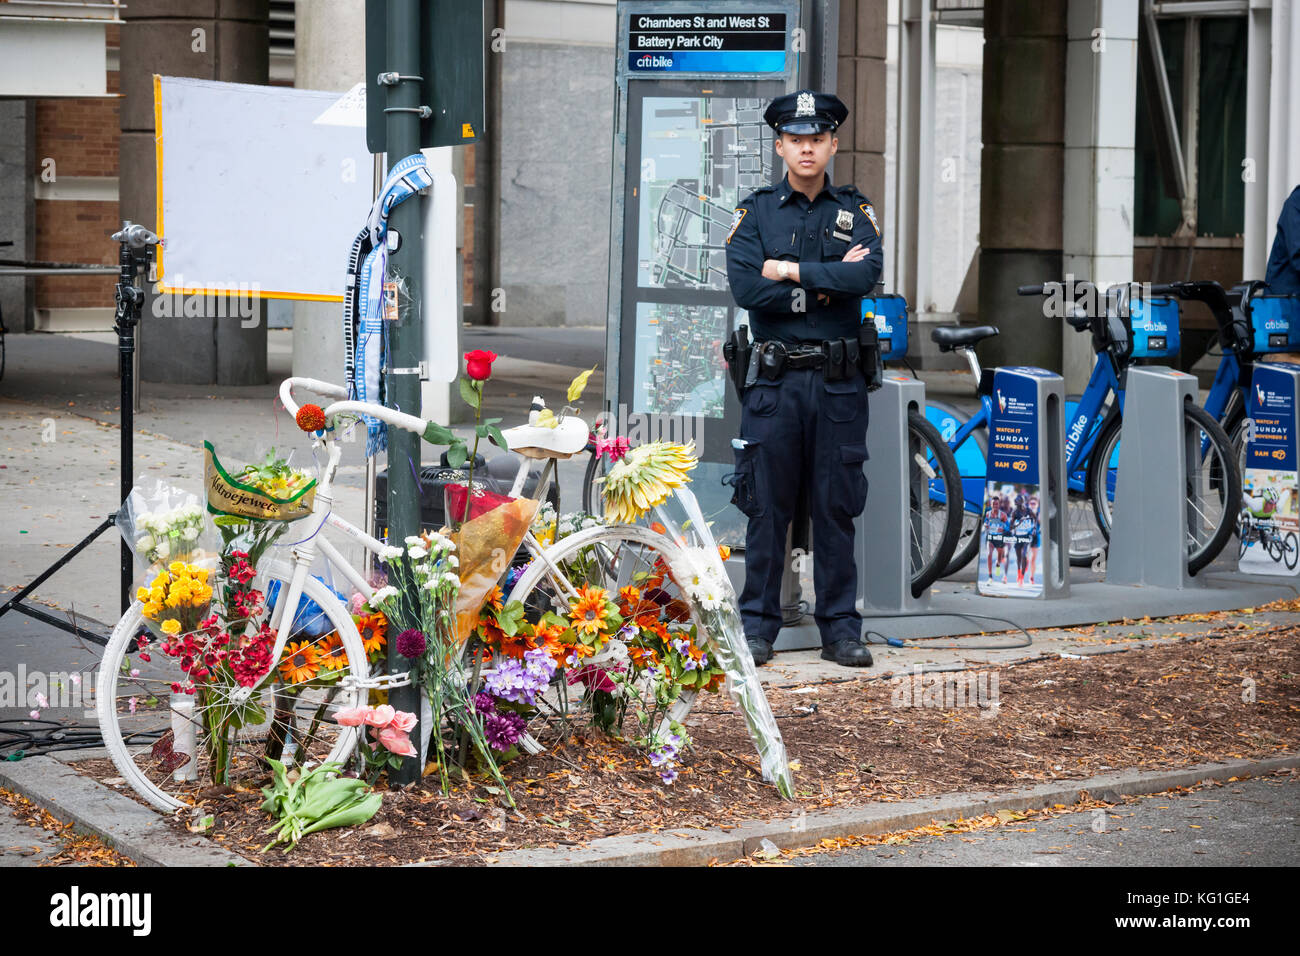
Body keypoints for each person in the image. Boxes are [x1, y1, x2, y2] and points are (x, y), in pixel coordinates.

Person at [724, 90, 884, 668]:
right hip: (774, 385)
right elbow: (747, 289)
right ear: (780, 146)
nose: (807, 148)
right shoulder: (757, 211)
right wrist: (824, 283)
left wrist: (789, 271)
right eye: (797, 139)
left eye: (818, 138)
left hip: (838, 384)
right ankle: (759, 624)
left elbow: (865, 275)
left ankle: (840, 628)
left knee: (836, 506)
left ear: (833, 144)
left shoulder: (856, 210)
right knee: (767, 506)